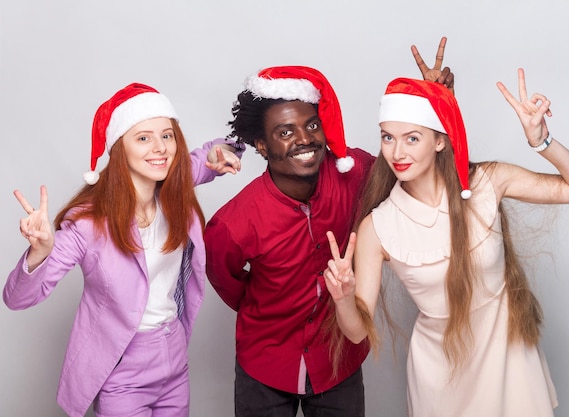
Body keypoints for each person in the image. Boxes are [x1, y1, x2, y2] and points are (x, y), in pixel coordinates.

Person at [323, 71, 569, 416]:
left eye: (412, 138)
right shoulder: (377, 227)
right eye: (387, 138)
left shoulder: (488, 181)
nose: (397, 152)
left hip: (508, 355)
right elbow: (355, 334)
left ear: (440, 140)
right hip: (440, 375)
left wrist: (541, 141)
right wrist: (343, 298)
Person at [203, 37, 454, 417]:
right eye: (285, 132)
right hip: (265, 362)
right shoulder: (232, 223)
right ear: (261, 145)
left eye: (311, 125)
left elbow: (413, 164)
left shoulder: (356, 172)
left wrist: (431, 108)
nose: (304, 139)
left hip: (338, 359)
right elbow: (228, 283)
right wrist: (269, 307)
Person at [3, 82, 244, 417]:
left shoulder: (173, 186)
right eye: (143, 138)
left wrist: (226, 147)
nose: (160, 148)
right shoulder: (88, 222)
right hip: (122, 370)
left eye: (167, 135)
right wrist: (40, 251)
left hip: (174, 358)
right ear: (120, 148)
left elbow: (207, 156)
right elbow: (17, 298)